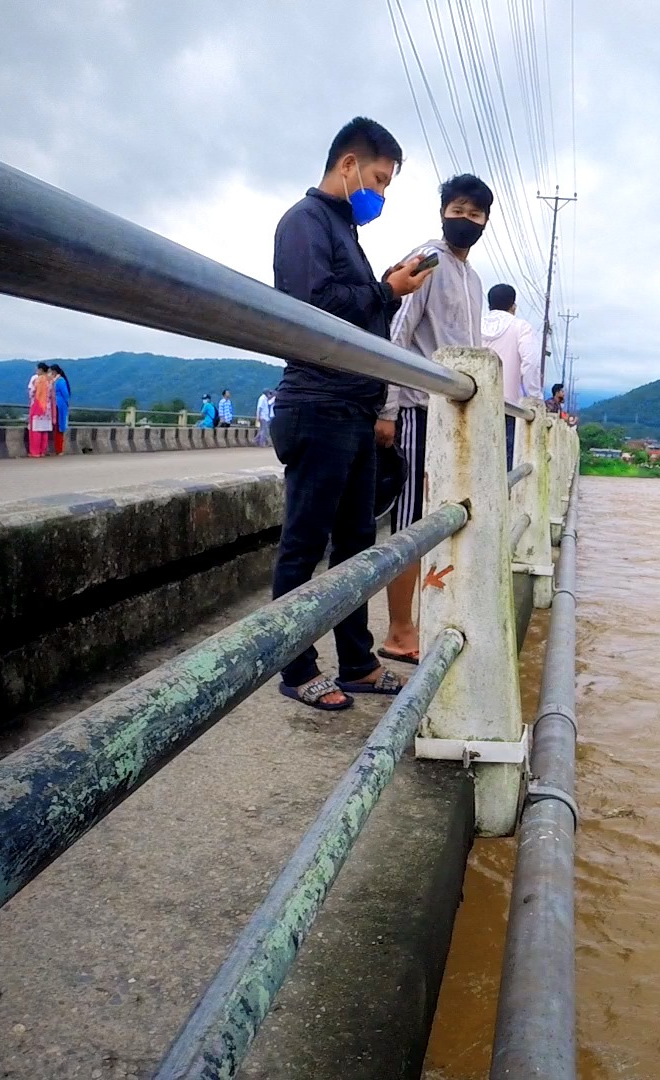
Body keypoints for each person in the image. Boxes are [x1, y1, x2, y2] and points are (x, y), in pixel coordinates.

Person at [268, 116, 434, 711]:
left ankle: (358, 660)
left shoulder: (342, 231)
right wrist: (387, 290)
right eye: (380, 179)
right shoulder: (304, 222)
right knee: (305, 542)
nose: (381, 194)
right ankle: (296, 666)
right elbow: (317, 306)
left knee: (357, 545)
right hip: (318, 404)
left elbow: (361, 315)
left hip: (354, 410)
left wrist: (387, 288)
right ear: (348, 166)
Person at [378, 173, 495, 665]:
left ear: (486, 221)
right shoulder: (427, 259)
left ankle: (422, 620)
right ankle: (399, 631)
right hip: (413, 410)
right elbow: (397, 334)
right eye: (458, 210)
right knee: (409, 523)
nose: (465, 220)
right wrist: (385, 409)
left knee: (440, 520)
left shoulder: (472, 278)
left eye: (475, 214)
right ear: (443, 210)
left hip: (450, 418)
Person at [482, 282, 543, 462]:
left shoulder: (474, 325)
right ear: (513, 306)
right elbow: (530, 364)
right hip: (507, 406)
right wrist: (534, 398)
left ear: (489, 304)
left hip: (473, 404)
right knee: (504, 464)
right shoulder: (521, 327)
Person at [27, 362, 54, 457]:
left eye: (37, 369)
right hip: (47, 408)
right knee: (44, 430)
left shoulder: (38, 380)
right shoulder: (50, 380)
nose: (36, 371)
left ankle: (35, 452)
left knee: (36, 430)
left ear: (41, 370)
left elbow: (32, 393)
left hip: (38, 406)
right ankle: (43, 451)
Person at [50, 363, 72, 455]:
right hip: (55, 404)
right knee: (55, 428)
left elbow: (66, 394)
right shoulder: (55, 381)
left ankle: (59, 449)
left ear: (54, 372)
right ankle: (57, 448)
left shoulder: (60, 381)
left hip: (59, 406)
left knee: (59, 427)